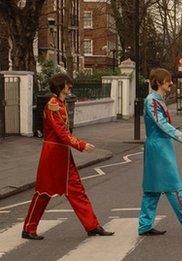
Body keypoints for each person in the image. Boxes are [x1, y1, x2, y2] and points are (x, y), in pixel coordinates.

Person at [22, 73, 114, 240]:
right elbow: (61, 133)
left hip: (63, 156)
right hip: (53, 156)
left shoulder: (61, 103)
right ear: (60, 86)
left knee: (77, 191)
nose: (70, 87)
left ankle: (92, 226)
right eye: (67, 85)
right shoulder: (52, 105)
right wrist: (81, 145)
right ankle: (28, 228)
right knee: (43, 193)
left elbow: (64, 133)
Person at [138, 68, 182, 236]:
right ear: (158, 82)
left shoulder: (157, 99)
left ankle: (145, 225)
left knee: (152, 189)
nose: (171, 83)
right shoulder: (152, 101)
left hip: (158, 145)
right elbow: (162, 124)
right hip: (159, 147)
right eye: (167, 80)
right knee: (173, 186)